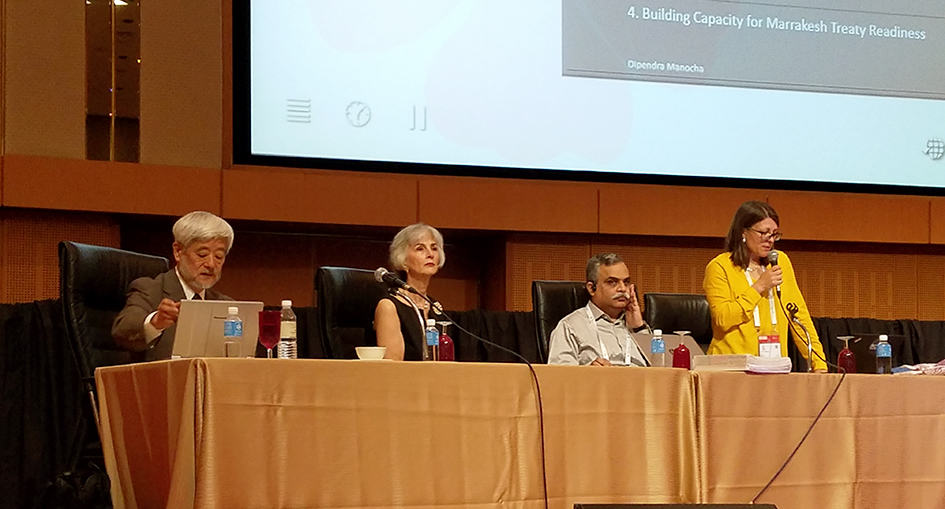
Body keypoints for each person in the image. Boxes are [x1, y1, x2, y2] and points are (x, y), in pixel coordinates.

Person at [703, 200, 827, 371]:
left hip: (774, 368)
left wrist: (818, 363)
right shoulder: (720, 267)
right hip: (731, 370)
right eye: (763, 233)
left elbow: (798, 315)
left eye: (774, 234)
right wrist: (759, 286)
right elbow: (722, 319)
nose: (769, 240)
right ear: (743, 232)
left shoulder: (780, 261)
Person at [112, 211, 234, 361]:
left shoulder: (226, 305)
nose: (211, 264)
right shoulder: (149, 290)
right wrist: (155, 322)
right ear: (178, 251)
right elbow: (123, 331)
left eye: (219, 257)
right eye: (202, 254)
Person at [547, 253, 651, 366]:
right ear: (592, 288)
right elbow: (559, 377)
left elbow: (662, 369)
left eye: (626, 282)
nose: (622, 289)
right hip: (598, 383)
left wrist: (639, 328)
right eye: (612, 282)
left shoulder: (637, 326)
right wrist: (590, 373)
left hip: (641, 382)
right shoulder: (570, 327)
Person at [374, 223, 447, 360]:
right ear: (403, 261)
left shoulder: (435, 306)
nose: (430, 254)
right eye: (420, 249)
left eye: (434, 248)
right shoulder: (389, 307)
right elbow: (393, 366)